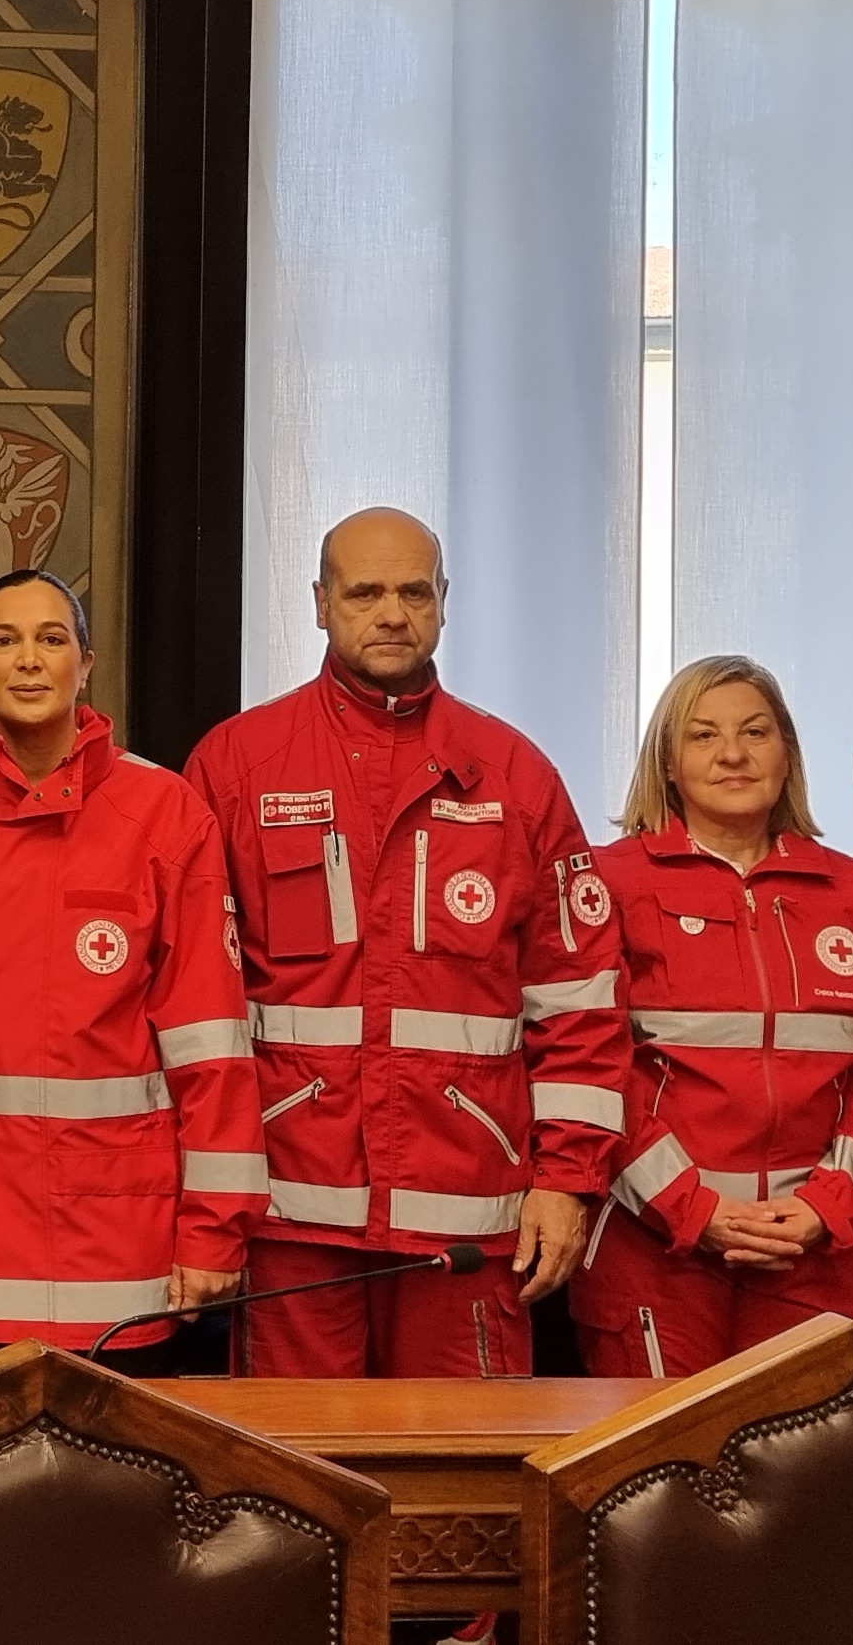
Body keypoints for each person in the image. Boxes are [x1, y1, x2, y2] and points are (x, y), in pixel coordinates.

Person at [180, 507, 630, 1381]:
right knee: (298, 1461)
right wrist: (208, 1206)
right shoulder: (236, 766)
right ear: (320, 603)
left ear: (444, 602)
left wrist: (568, 1180)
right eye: (365, 593)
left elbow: (580, 1000)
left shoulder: (516, 775)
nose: (392, 613)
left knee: (462, 1457)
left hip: (468, 1221)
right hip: (290, 1218)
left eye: (414, 592)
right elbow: (194, 1008)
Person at [0, 571, 256, 1373]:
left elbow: (211, 1048)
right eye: (3, 640)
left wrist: (215, 1229)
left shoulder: (164, 813)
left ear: (86, 663)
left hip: (105, 1256)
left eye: (51, 640)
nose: (28, 660)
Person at [571, 655, 853, 1378]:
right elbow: (595, 1067)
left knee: (806, 1450)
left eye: (755, 732)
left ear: (786, 752)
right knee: (663, 1448)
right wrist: (691, 1208)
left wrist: (828, 1207)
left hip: (812, 1251)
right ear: (668, 764)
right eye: (703, 735)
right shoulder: (609, 882)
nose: (732, 753)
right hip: (654, 1248)